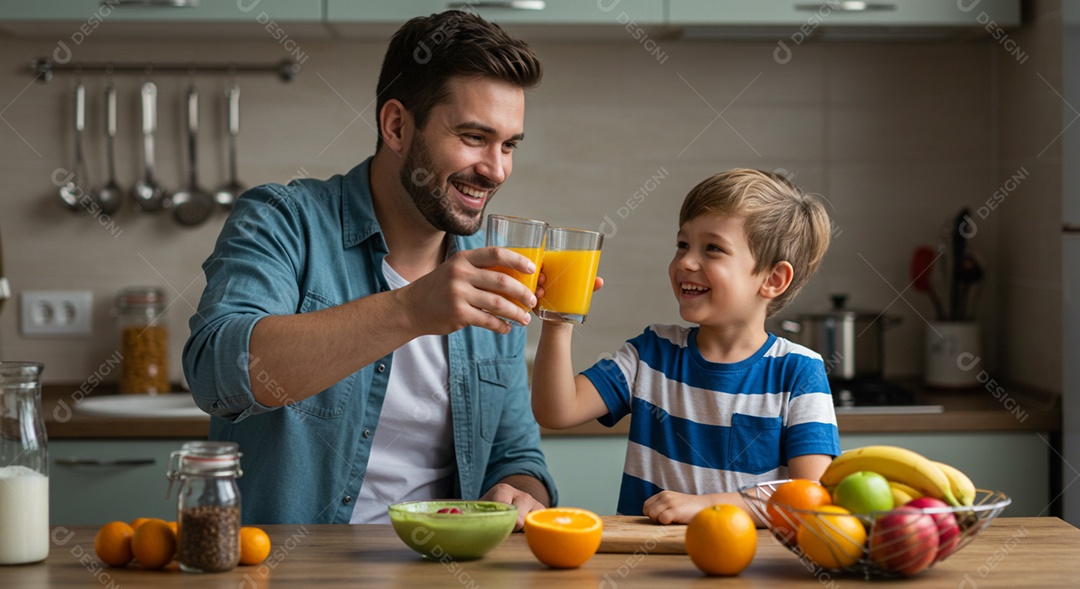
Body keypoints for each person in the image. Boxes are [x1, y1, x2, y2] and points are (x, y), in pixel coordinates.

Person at [183, 10, 555, 528]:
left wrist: (518, 490)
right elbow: (213, 372)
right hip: (289, 572)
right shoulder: (284, 220)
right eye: (474, 137)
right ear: (397, 126)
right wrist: (411, 309)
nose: (496, 169)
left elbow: (516, 454)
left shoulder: (497, 270)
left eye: (509, 144)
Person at [530, 169, 840, 524]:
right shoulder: (651, 353)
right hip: (647, 569)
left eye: (712, 249)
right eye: (682, 245)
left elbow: (810, 495)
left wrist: (711, 506)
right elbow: (556, 411)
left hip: (750, 572)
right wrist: (558, 319)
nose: (686, 263)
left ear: (773, 279)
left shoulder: (798, 371)